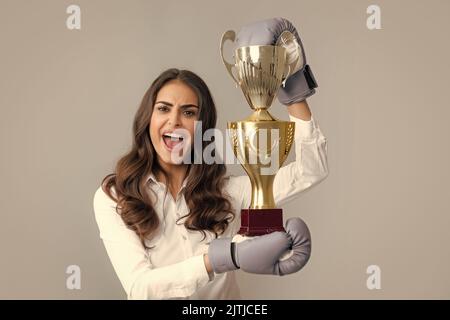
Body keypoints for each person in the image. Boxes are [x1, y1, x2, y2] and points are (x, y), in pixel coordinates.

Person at [93, 17, 328, 300]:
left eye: (189, 113)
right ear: (147, 118)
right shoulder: (115, 196)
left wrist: (295, 89)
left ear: (202, 127)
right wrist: (223, 257)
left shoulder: (226, 192)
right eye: (164, 109)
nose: (174, 122)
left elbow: (310, 170)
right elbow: (141, 289)